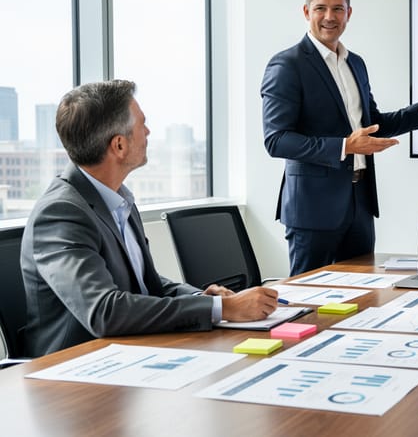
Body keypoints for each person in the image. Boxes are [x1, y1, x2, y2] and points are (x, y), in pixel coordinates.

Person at [21, 80, 279, 357]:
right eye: (142, 124)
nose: (147, 132)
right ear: (119, 145)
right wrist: (222, 309)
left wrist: (201, 299)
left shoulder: (119, 199)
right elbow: (105, 311)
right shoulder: (61, 213)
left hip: (129, 350)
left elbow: (146, 284)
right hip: (74, 365)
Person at [261, 0, 418, 276]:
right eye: (320, 8)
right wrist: (345, 146)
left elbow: (372, 124)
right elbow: (277, 140)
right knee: (307, 296)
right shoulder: (287, 65)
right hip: (312, 211)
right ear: (306, 12)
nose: (329, 16)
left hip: (359, 205)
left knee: (363, 295)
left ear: (348, 13)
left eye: (338, 9)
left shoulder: (356, 63)